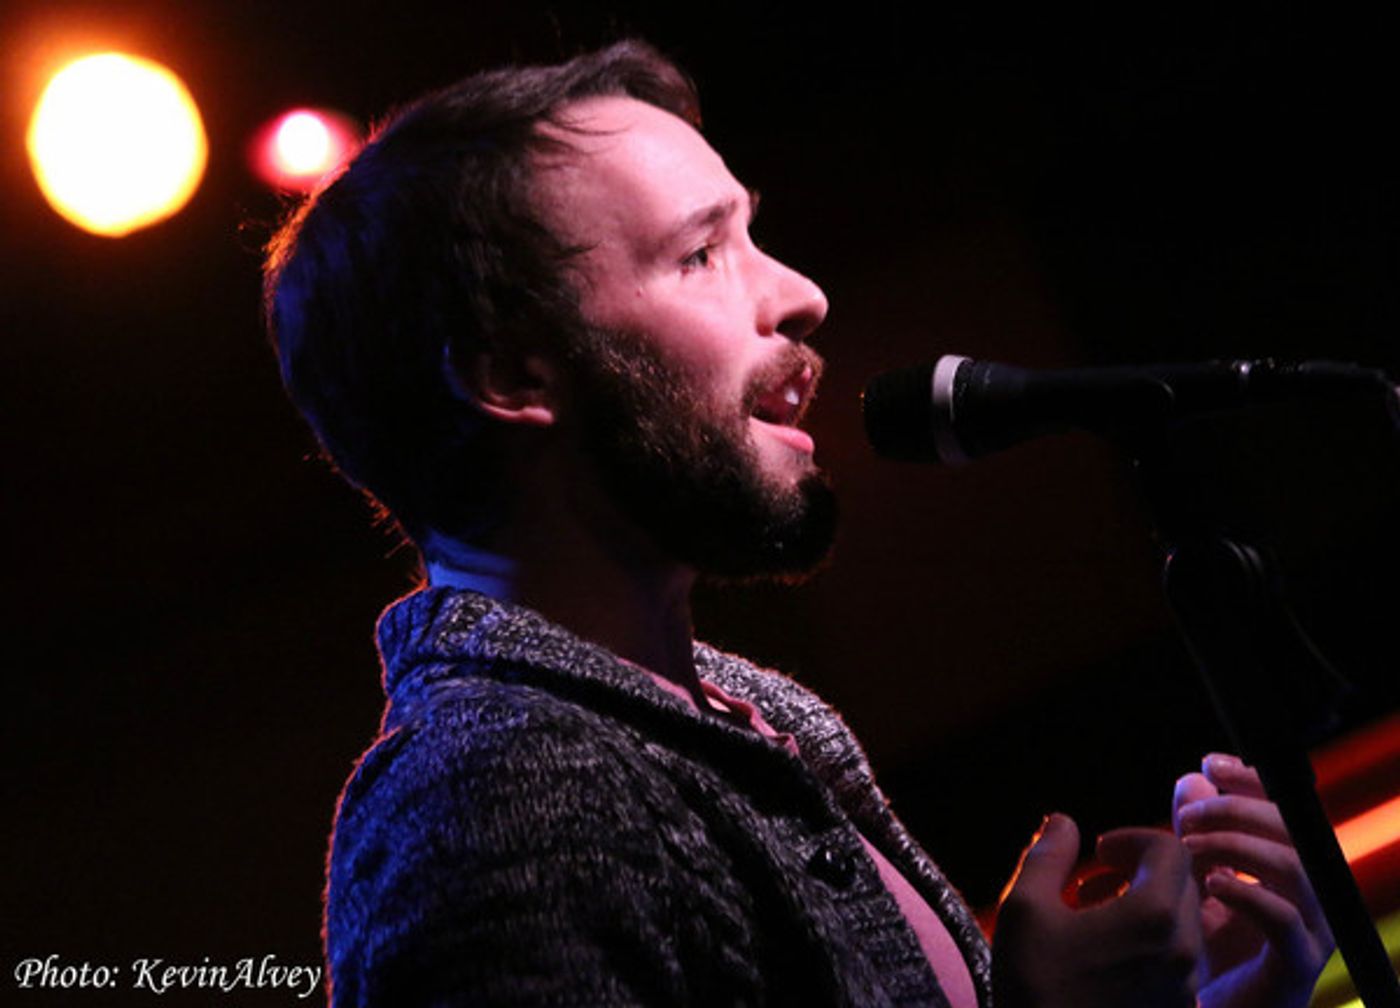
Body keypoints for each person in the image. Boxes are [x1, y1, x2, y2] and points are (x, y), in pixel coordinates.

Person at [263, 40, 1334, 1007]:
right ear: (507, 373)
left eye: (751, 235)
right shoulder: (482, 812)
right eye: (698, 254)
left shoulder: (757, 715)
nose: (801, 292)